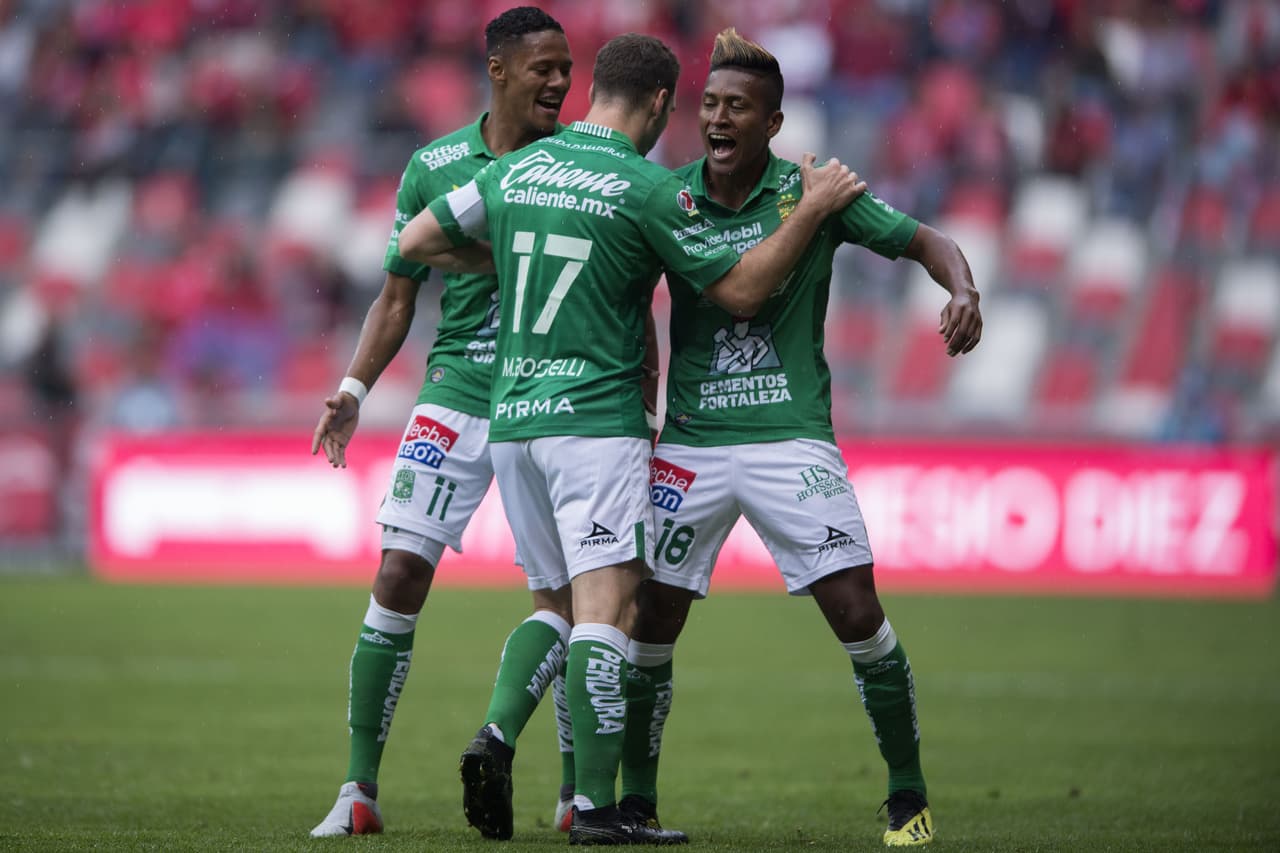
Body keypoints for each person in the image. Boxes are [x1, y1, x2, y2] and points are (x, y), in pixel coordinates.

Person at [397, 32, 866, 845]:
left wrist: (503, 258)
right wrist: (816, 206)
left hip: (512, 421)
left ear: (592, 92)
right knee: (609, 610)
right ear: (658, 105)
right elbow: (744, 290)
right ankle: (594, 808)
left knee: (555, 605)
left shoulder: (514, 169)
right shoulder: (647, 187)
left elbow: (414, 243)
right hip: (593, 420)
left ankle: (499, 736)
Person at [617, 29, 983, 849]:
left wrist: (965, 289)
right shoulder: (670, 198)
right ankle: (635, 801)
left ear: (772, 123)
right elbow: (722, 296)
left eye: (736, 107)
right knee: (651, 619)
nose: (716, 118)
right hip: (694, 443)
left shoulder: (814, 192)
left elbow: (929, 240)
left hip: (791, 437)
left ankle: (907, 792)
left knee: (857, 609)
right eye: (709, 103)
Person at [307, 7, 577, 839]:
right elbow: (398, 295)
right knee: (397, 575)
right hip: (457, 390)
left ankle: (576, 795)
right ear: (498, 70)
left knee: (573, 595)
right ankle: (357, 790)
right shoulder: (433, 165)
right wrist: (353, 387)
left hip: (552, 392)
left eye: (568, 69)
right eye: (545, 68)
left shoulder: (582, 164)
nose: (562, 83)